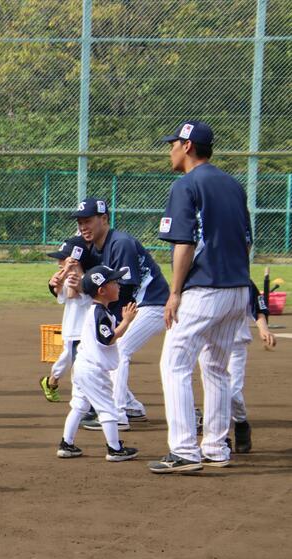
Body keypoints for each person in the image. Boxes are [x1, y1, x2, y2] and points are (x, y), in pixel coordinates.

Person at [150, 120, 252, 474]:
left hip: (205, 289)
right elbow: (247, 241)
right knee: (215, 367)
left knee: (174, 363)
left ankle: (183, 451)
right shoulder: (234, 185)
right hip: (238, 289)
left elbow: (184, 244)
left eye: (174, 143)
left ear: (188, 147)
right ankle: (215, 447)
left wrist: (174, 292)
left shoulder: (186, 185)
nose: (171, 150)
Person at [72, 197, 169, 428]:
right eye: (80, 222)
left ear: (104, 219)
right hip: (136, 304)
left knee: (120, 348)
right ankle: (131, 406)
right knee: (112, 347)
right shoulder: (97, 247)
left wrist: (113, 322)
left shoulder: (120, 243)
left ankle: (116, 414)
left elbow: (124, 288)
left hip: (152, 304)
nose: (83, 226)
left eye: (88, 220)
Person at [56, 266, 139, 462]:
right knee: (107, 409)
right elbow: (107, 339)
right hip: (93, 370)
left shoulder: (98, 311)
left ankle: (66, 444)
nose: (118, 286)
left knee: (79, 406)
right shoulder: (99, 313)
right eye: (114, 283)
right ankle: (114, 449)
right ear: (102, 290)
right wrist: (126, 322)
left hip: (83, 366)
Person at [225, 281, 275, 453]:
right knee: (215, 392)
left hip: (236, 345)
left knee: (232, 392)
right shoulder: (204, 276)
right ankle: (220, 437)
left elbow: (258, 309)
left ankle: (241, 423)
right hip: (210, 344)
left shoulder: (244, 281)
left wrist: (264, 330)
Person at [40, 236, 90, 402]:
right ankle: (81, 403)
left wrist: (72, 271)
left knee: (69, 359)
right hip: (74, 329)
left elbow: (72, 293)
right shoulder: (70, 278)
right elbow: (64, 295)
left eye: (63, 259)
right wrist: (65, 272)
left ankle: (51, 382)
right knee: (73, 362)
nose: (59, 263)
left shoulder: (88, 278)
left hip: (84, 330)